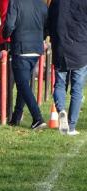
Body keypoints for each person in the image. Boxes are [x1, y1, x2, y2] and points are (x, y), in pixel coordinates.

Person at [2, 0, 48, 129]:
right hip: (36, 48)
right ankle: (16, 117)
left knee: (22, 85)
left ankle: (37, 117)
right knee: (24, 83)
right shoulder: (41, 4)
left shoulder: (15, 2)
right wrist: (41, 37)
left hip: (21, 47)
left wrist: (5, 35)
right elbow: (47, 25)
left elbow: (10, 25)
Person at [48, 0, 87, 136]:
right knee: (77, 89)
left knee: (59, 83)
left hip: (61, 46)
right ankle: (71, 126)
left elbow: (49, 20)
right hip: (81, 48)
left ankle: (61, 110)